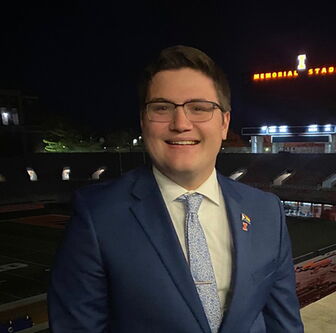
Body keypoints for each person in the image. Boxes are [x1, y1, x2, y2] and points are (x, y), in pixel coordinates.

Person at [48, 45, 304, 333]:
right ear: (143, 122)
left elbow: (284, 324)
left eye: (199, 108)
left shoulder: (266, 210)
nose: (181, 124)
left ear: (224, 123)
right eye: (162, 108)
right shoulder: (97, 215)